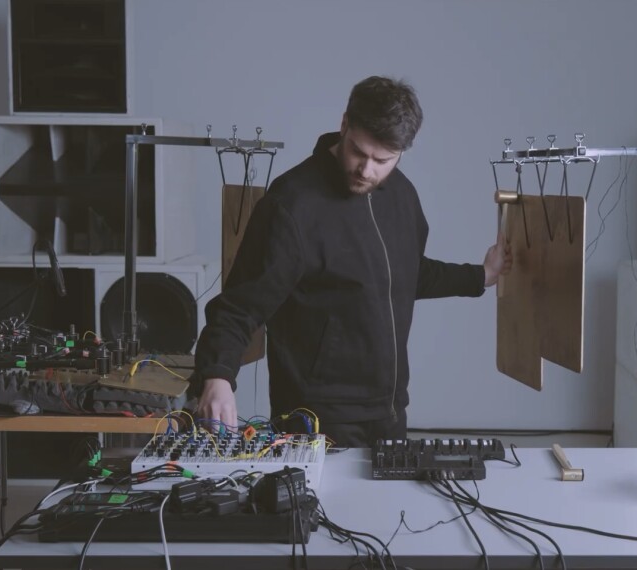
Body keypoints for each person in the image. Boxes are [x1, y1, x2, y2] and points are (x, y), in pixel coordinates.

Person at [191, 75, 510, 447]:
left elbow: (405, 274)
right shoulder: (292, 205)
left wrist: (480, 276)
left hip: (390, 412)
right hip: (315, 416)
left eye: (382, 160)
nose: (367, 170)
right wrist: (217, 377)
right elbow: (238, 306)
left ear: (402, 152)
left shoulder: (403, 196)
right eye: (359, 151)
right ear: (344, 125)